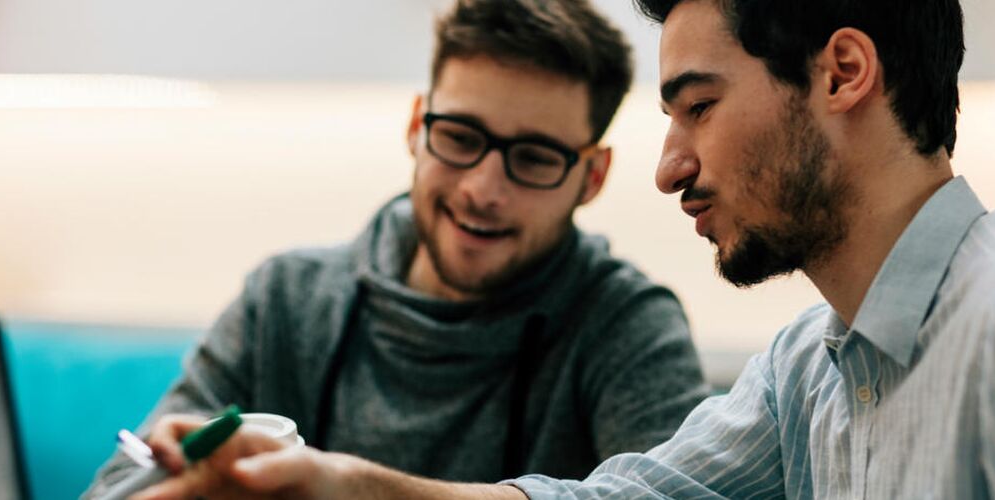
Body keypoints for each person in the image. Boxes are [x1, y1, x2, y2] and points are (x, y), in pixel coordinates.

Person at [128, 0, 995, 498]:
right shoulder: (807, 363)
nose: (670, 164)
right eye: (460, 140)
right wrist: (346, 486)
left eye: (698, 105)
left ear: (842, 72)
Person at [82, 0, 713, 496]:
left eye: (534, 157)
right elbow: (120, 484)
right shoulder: (287, 299)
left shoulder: (627, 328)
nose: (482, 189)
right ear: (417, 127)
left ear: (591, 177)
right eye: (461, 137)